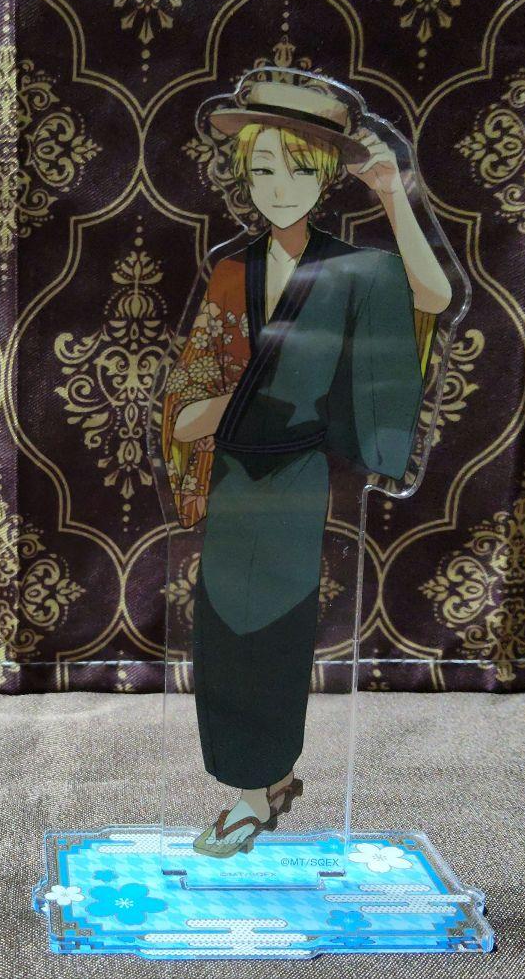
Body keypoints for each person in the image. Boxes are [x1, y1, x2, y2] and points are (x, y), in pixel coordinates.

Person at [160, 73, 451, 858]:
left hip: (296, 473)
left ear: (326, 177)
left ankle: (259, 791)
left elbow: (431, 295)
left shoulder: (356, 269)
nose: (277, 187)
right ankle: (257, 781)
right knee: (222, 630)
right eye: (262, 169)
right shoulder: (233, 268)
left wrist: (391, 193)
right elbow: (191, 391)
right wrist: (215, 409)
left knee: (276, 627)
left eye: (296, 169)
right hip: (233, 470)